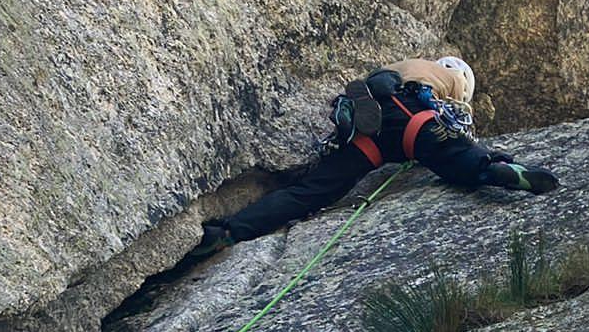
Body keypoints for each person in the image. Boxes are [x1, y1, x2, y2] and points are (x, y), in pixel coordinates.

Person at [195, 55, 558, 253]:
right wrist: (481, 148)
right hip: (415, 119)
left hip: (373, 129)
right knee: (455, 155)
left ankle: (228, 231)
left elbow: (381, 76)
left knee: (312, 192)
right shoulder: (455, 81)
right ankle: (496, 169)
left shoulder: (410, 63)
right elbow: (456, 126)